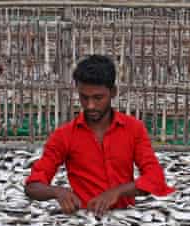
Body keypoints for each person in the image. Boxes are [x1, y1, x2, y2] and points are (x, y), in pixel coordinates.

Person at [25, 55, 175, 216]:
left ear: (113, 92)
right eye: (84, 97)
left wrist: (117, 192)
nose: (90, 105)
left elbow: (155, 179)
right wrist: (57, 192)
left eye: (98, 98)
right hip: (84, 220)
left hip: (127, 219)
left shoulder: (134, 128)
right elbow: (33, 186)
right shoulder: (64, 135)